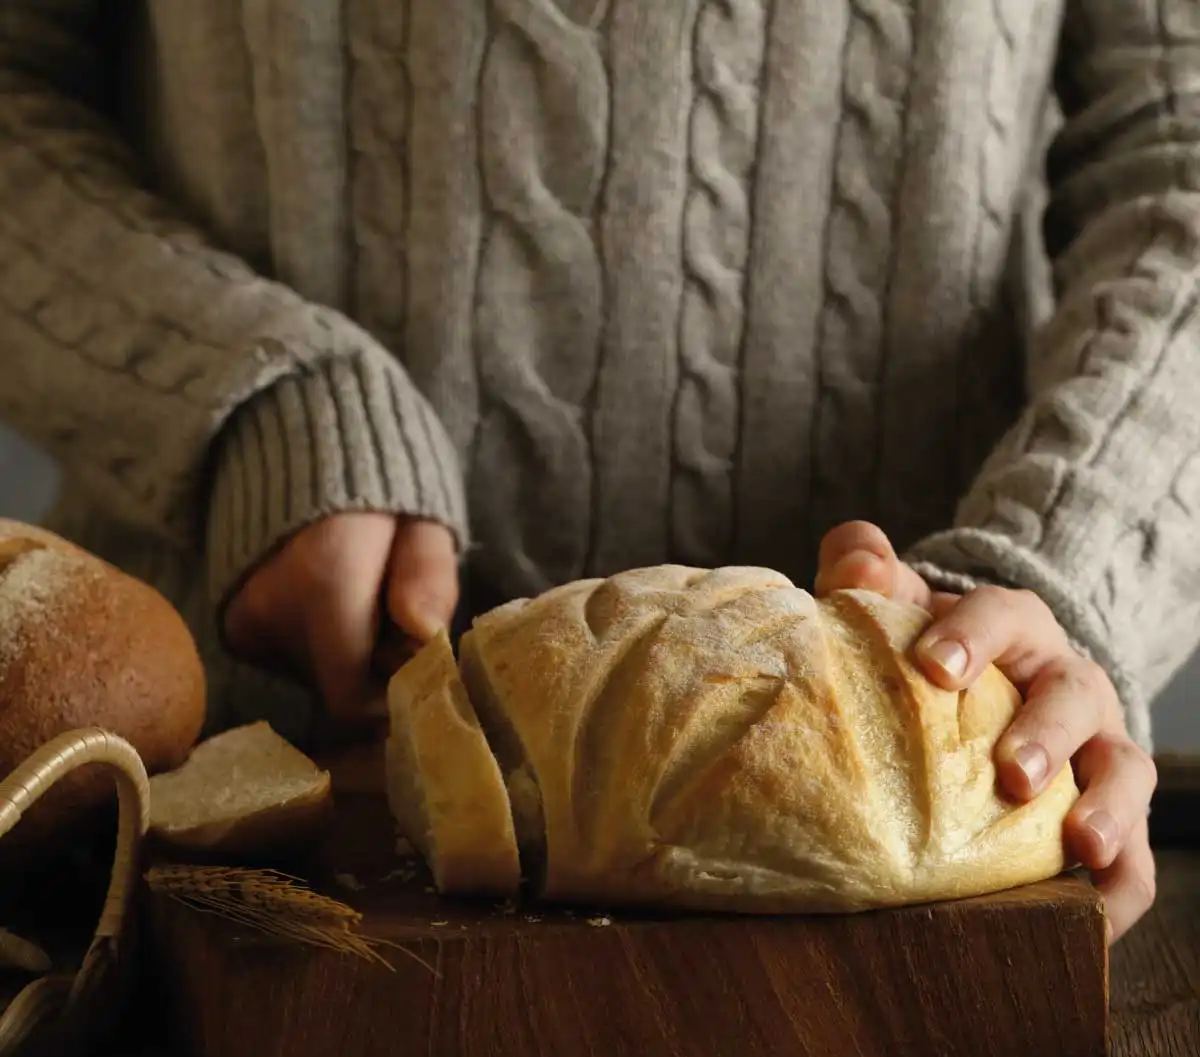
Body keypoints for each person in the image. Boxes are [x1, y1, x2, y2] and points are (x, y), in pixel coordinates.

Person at [0, 1, 1183, 942]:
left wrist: (1055, 577)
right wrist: (246, 391)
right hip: (212, 846)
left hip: (922, 815)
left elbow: (1178, 159)